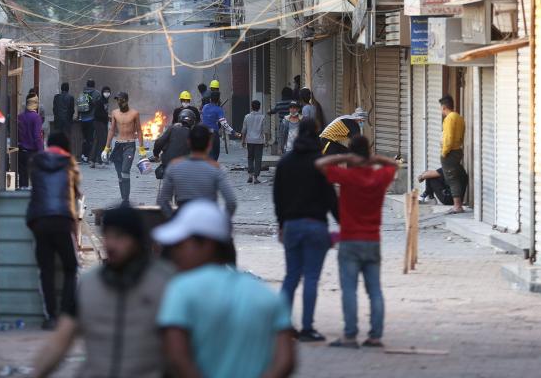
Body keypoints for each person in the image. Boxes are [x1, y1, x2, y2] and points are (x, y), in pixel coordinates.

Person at [155, 200, 295, 378]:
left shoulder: (181, 290)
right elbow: (286, 361)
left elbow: (176, 357)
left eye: (181, 245)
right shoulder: (266, 294)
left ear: (207, 245)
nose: (175, 253)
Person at [31, 206, 174, 378]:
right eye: (107, 236)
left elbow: (181, 350)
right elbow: (60, 341)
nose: (111, 244)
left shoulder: (164, 283)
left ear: (137, 240)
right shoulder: (89, 284)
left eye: (120, 237)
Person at [315, 137, 399, 349]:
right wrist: (373, 159)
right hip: (372, 240)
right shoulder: (379, 177)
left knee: (350, 290)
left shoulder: (346, 176)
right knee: (375, 291)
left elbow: (319, 164)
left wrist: (344, 156)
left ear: (352, 154)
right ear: (368, 153)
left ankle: (350, 336)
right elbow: (394, 165)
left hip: (350, 240)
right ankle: (375, 336)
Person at [273, 118, 339, 342]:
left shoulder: (286, 162)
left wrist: (281, 224)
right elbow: (330, 197)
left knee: (291, 275)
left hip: (291, 225)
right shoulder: (320, 162)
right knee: (311, 278)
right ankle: (307, 328)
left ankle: (282, 325)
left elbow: (278, 197)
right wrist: (342, 222)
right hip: (316, 225)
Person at [26, 132, 81, 330]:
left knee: (46, 270)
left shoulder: (35, 161)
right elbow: (75, 192)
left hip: (39, 220)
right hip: (62, 219)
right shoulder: (69, 162)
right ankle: (66, 314)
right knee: (70, 267)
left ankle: (51, 316)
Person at [156, 124, 237, 219]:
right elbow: (231, 202)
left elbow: (162, 200)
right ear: (209, 145)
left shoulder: (174, 167)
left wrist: (174, 219)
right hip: (208, 219)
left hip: (183, 218)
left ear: (189, 142)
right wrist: (221, 221)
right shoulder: (217, 169)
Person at [102, 92, 145, 205]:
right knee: (119, 174)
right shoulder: (115, 113)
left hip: (129, 145)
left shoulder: (134, 113)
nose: (119, 102)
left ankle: (126, 199)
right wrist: (106, 147)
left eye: (121, 100)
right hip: (118, 145)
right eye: (118, 100)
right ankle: (123, 198)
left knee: (125, 171)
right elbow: (111, 130)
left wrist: (141, 148)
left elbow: (139, 130)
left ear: (126, 100)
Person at [440, 95, 466, 214]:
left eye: (441, 108)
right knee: (456, 176)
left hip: (450, 152)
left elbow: (448, 138)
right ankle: (458, 204)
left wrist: (444, 152)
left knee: (452, 178)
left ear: (444, 107)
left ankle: (457, 206)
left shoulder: (450, 118)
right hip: (458, 150)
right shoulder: (459, 117)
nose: (441, 111)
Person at [153, 108, 195, 179]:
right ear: (192, 122)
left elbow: (159, 142)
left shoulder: (172, 128)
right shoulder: (193, 134)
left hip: (168, 164)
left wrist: (156, 154)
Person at [201, 92, 240, 161]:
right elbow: (224, 123)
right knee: (215, 153)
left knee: (207, 152)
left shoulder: (205, 107)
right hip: (213, 134)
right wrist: (234, 132)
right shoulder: (219, 110)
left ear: (210, 99)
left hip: (204, 133)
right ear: (219, 100)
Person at [17, 95, 45, 189]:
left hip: (21, 151)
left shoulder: (20, 116)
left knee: (22, 177)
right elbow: (37, 136)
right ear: (36, 104)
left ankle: (21, 197)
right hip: (32, 152)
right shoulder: (36, 117)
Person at [242, 100, 266, 183]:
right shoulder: (262, 117)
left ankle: (250, 175)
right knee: (258, 159)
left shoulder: (247, 117)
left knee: (250, 157)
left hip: (249, 140)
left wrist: (243, 140)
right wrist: (265, 141)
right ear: (259, 107)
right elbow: (263, 130)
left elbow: (244, 130)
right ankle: (255, 177)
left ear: (251, 107)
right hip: (259, 141)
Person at [77, 80, 101, 163]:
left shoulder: (82, 93)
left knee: (84, 138)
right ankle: (87, 156)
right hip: (92, 119)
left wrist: (78, 116)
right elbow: (99, 106)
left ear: (87, 85)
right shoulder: (97, 93)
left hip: (83, 119)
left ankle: (83, 154)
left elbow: (79, 106)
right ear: (94, 85)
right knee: (90, 139)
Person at [89, 86, 111, 168]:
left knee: (97, 141)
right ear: (102, 92)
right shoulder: (100, 101)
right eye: (105, 91)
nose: (107, 93)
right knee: (102, 141)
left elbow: (103, 112)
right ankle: (99, 160)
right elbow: (97, 114)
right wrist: (106, 116)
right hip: (99, 123)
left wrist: (106, 116)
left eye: (108, 91)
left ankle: (92, 160)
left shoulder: (105, 101)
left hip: (103, 123)